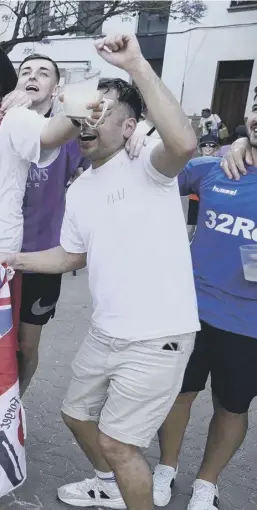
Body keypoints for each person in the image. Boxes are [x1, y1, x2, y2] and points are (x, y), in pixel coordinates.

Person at [1, 34, 200, 510]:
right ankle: (109, 486)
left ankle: (127, 486)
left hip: (157, 336)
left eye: (103, 108)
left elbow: (184, 142)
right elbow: (70, 257)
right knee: (75, 416)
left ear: (131, 125)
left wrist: (134, 63)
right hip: (104, 333)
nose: (90, 115)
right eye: (87, 107)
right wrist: (9, 259)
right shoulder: (82, 188)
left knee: (118, 445)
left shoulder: (150, 166)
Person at [153, 99, 257, 510]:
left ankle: (206, 483)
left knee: (232, 407)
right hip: (190, 310)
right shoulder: (217, 168)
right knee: (179, 394)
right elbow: (155, 174)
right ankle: (166, 467)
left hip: (249, 325)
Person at [15, 54, 89, 395]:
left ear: (55, 88)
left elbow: (114, 145)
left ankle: (12, 410)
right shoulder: (4, 123)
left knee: (26, 348)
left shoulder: (70, 134)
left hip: (43, 260)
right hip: (4, 255)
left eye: (43, 73)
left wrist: (137, 136)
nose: (33, 76)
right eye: (26, 71)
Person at [187, 134, 220, 240]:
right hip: (195, 197)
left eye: (211, 145)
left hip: (211, 198)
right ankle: (187, 246)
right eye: (205, 145)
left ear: (215, 148)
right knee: (191, 224)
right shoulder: (194, 163)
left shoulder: (220, 163)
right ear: (200, 148)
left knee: (209, 225)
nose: (208, 147)